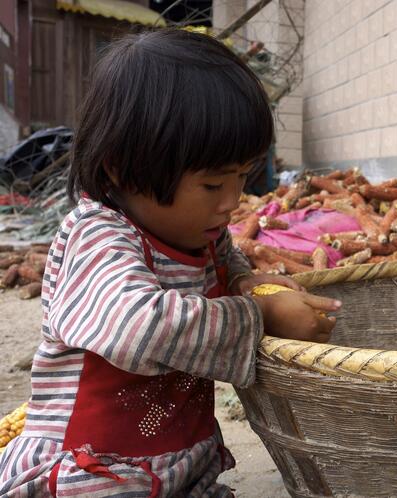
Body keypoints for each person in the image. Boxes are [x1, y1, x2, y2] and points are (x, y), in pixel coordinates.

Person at [0, 29, 339, 497]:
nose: (231, 203)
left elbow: (228, 264)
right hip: (97, 469)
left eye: (242, 177)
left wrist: (247, 283)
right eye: (212, 184)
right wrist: (260, 314)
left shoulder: (204, 233)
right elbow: (139, 326)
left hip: (178, 460)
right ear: (122, 167)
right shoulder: (97, 236)